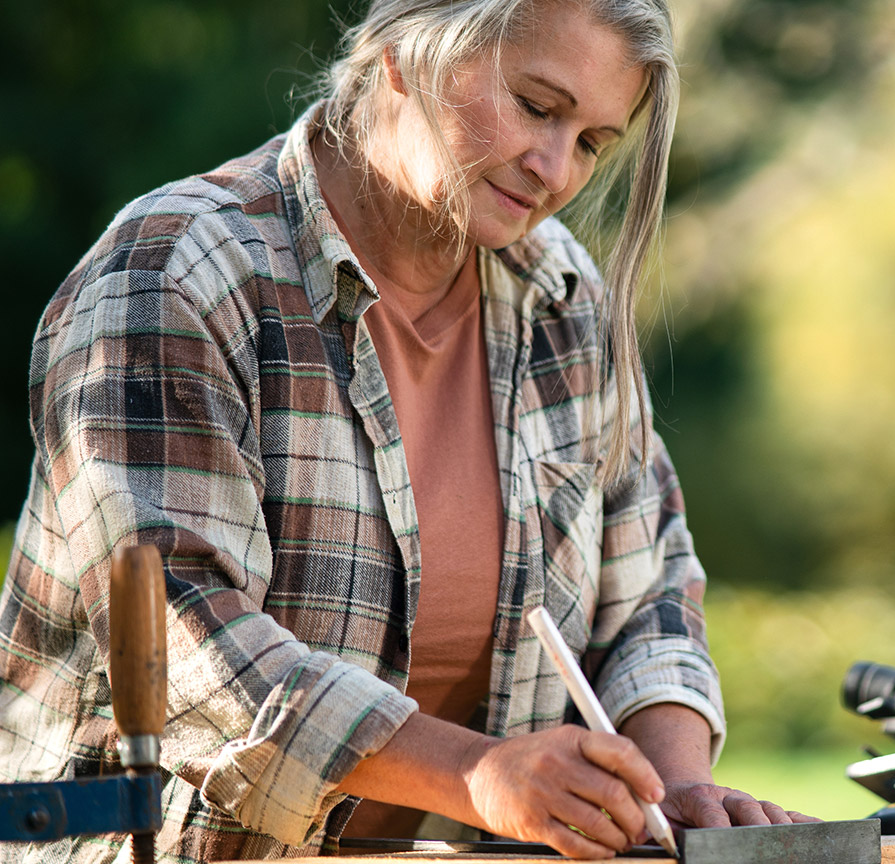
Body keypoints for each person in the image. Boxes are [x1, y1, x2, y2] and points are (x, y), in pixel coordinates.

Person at [0, 0, 811, 861]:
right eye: (537, 106)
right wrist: (477, 776)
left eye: (591, 143)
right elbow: (185, 643)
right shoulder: (177, 274)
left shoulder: (563, 296)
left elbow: (648, 587)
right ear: (401, 51)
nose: (554, 168)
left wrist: (673, 782)